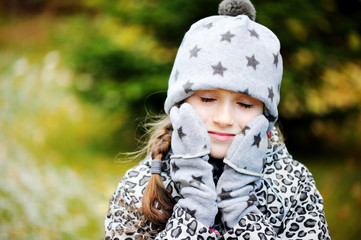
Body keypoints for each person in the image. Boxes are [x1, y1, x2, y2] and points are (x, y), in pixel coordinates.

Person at [104, 0, 330, 239]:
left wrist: (240, 208)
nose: (224, 119)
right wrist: (195, 208)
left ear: (265, 113)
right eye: (208, 99)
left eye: (244, 104)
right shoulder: (141, 186)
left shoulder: (294, 185)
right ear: (181, 104)